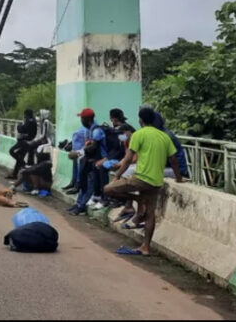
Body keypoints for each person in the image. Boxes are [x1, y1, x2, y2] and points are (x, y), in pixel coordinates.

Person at [105, 107, 182, 256]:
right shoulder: (164, 136)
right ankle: (145, 247)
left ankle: (138, 200)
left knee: (107, 189)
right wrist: (179, 178)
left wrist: (117, 176)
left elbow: (128, 160)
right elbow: (174, 160)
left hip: (140, 178)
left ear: (140, 120)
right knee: (150, 214)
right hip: (156, 181)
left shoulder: (138, 134)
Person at [65, 108, 111, 216]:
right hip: (90, 159)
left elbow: (93, 147)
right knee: (83, 183)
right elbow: (87, 146)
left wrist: (78, 153)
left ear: (87, 119)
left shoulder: (96, 131)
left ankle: (81, 206)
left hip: (98, 160)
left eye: (82, 118)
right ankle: (79, 204)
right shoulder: (88, 129)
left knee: (89, 183)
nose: (81, 120)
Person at [7, 109, 38, 179]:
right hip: (27, 141)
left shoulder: (30, 121)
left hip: (25, 142)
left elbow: (22, 129)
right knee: (20, 155)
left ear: (26, 114)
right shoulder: (32, 120)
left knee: (12, 151)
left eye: (25, 115)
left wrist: (19, 126)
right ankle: (14, 174)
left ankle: (23, 164)